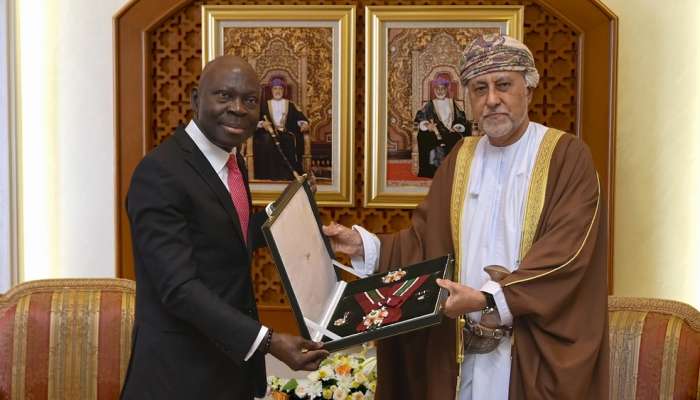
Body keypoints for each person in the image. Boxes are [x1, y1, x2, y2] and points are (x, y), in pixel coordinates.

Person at [323, 34, 609, 399]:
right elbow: (424, 242)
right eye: (479, 89)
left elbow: (567, 254)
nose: (492, 99)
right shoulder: (462, 156)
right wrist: (365, 246)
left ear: (528, 89)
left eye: (503, 85)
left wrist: (489, 299)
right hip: (460, 353)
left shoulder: (565, 156)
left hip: (526, 355)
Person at [121, 55, 328, 400]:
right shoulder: (160, 173)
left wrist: (290, 207)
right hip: (179, 377)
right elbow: (180, 288)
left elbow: (232, 235)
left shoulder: (232, 161)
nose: (238, 109)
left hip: (229, 369)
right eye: (224, 96)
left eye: (250, 100)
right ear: (195, 99)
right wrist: (269, 341)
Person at [253, 76, 310, 180]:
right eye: (275, 88)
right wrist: (262, 124)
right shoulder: (264, 105)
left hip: (286, 133)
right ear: (271, 90)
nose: (277, 91)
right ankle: (269, 175)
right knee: (266, 141)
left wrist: (303, 124)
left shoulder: (290, 105)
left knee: (290, 140)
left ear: (283, 91)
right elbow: (254, 121)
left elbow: (300, 118)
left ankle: (289, 176)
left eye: (280, 89)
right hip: (270, 134)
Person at [414, 74, 470, 178]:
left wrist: (457, 126)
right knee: (425, 137)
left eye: (442, 89)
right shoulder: (430, 104)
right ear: (434, 90)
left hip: (450, 132)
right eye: (438, 89)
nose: (440, 91)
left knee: (455, 139)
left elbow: (461, 118)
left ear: (446, 90)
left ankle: (453, 171)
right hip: (435, 133)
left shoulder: (452, 103)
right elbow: (420, 117)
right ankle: (432, 171)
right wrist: (427, 125)